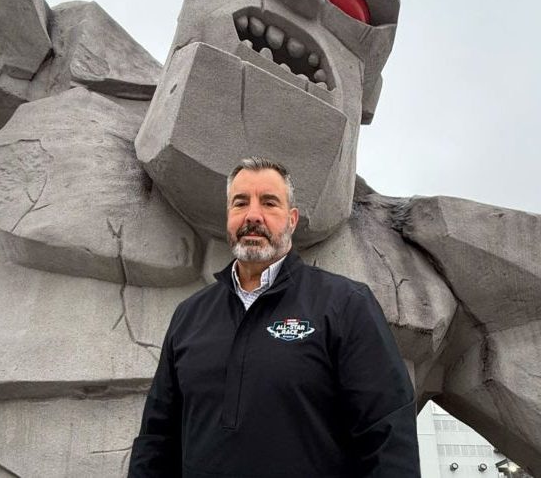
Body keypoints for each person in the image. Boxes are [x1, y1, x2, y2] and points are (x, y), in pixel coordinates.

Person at [128, 156, 420, 477]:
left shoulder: (347, 304)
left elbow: (387, 434)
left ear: (292, 220)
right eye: (241, 203)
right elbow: (156, 439)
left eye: (269, 203)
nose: (253, 215)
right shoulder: (189, 316)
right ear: (229, 216)